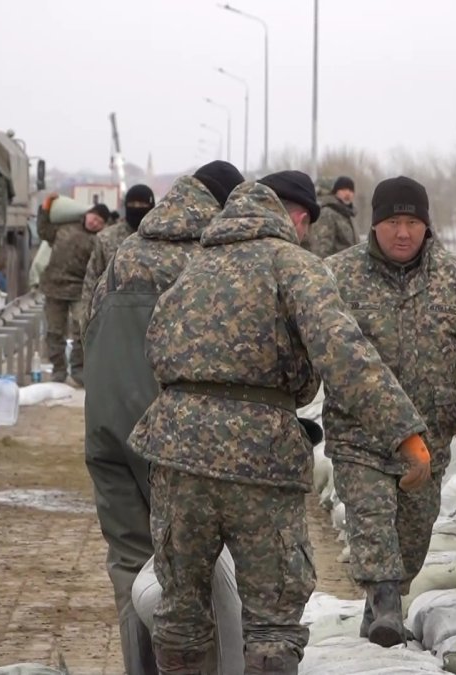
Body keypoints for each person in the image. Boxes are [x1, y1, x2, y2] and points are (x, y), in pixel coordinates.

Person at [130, 170, 430, 675]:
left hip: (177, 456)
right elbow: (345, 353)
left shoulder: (193, 267)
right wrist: (404, 430)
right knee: (272, 623)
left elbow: (156, 345)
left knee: (180, 614)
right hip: (260, 459)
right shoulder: (294, 264)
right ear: (294, 218)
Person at [323, 175, 456, 646]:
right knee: (371, 520)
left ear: (426, 225)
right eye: (392, 223)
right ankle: (386, 605)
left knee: (411, 537)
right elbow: (312, 342)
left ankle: (380, 608)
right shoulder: (337, 275)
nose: (402, 233)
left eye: (412, 223)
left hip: (430, 434)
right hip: (359, 434)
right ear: (374, 225)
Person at [82, 161, 242, 675]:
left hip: (107, 431)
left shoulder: (123, 254)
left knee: (130, 563)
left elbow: (88, 329)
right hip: (173, 437)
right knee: (190, 572)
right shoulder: (210, 262)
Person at [38, 197, 106, 384]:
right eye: (94, 217)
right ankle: (58, 370)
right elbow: (43, 231)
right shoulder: (64, 228)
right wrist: (44, 210)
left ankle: (78, 369)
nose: (94, 223)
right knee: (54, 331)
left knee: (81, 330)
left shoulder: (99, 241)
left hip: (79, 290)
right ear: (87, 214)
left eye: (100, 222)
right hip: (54, 287)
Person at [79, 184, 156, 341]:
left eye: (142, 205)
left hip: (152, 323)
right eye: (133, 204)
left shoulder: (161, 239)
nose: (137, 208)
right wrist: (87, 326)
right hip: (114, 323)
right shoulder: (107, 238)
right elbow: (91, 282)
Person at [304, 175, 359, 258]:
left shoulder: (349, 216)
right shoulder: (328, 213)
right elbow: (321, 248)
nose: (347, 193)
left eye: (351, 190)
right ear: (336, 192)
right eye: (343, 189)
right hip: (334, 265)